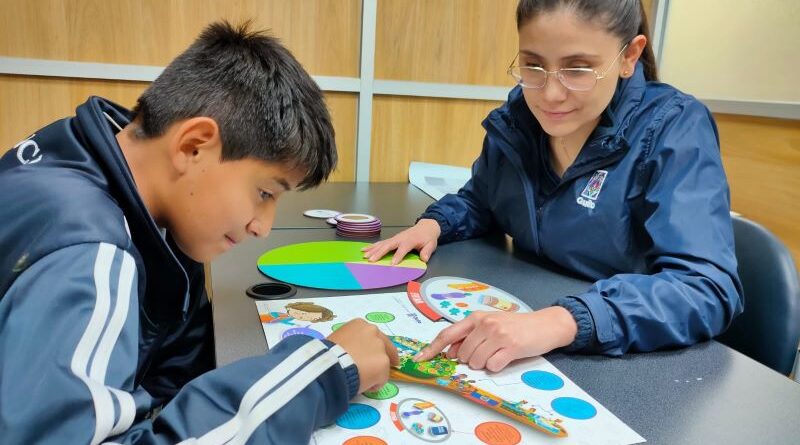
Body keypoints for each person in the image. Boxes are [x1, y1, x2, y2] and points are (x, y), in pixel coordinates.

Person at [0, 22, 398, 444]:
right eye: (265, 192)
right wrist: (319, 377)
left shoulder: (91, 155)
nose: (262, 227)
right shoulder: (91, 256)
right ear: (193, 145)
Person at [364, 0, 743, 372]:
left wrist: (565, 321)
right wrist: (435, 224)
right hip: (528, 305)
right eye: (533, 65)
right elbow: (483, 200)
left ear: (629, 56)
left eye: (577, 69)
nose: (549, 94)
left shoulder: (675, 127)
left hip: (623, 354)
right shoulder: (519, 119)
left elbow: (705, 288)